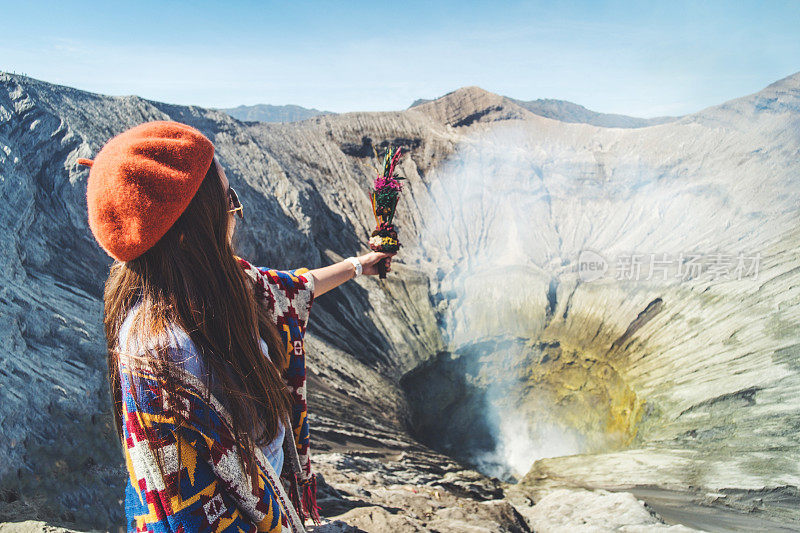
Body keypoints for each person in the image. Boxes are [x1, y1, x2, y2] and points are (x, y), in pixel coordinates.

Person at [79, 120, 395, 532]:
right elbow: (184, 514)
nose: (236, 214)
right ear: (194, 228)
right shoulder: (161, 358)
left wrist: (358, 266)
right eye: (229, 201)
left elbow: (293, 287)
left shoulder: (221, 281)